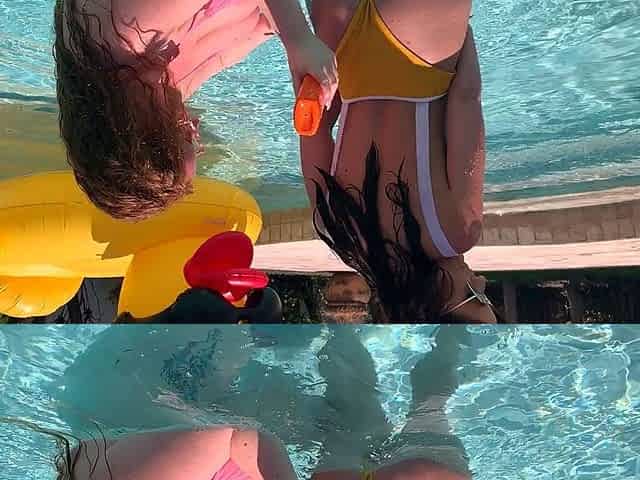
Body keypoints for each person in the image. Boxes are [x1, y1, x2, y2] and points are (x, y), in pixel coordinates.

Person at [300, 0, 497, 323]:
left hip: (420, 43)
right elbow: (313, 123)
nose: (481, 282)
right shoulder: (338, 231)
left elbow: (466, 98)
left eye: (476, 297)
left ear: (438, 303)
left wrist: (462, 35)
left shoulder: (456, 233)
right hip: (341, 51)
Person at [54, 0, 338, 220]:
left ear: (139, 126)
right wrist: (298, 50)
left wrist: (298, 38)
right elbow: (260, 23)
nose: (196, 123)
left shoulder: (124, 25)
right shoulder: (150, 84)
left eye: (185, 134)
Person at [313, 325, 474, 480]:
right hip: (424, 459)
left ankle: (342, 329)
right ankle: (342, 329)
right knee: (357, 399)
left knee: (355, 399)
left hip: (418, 459)